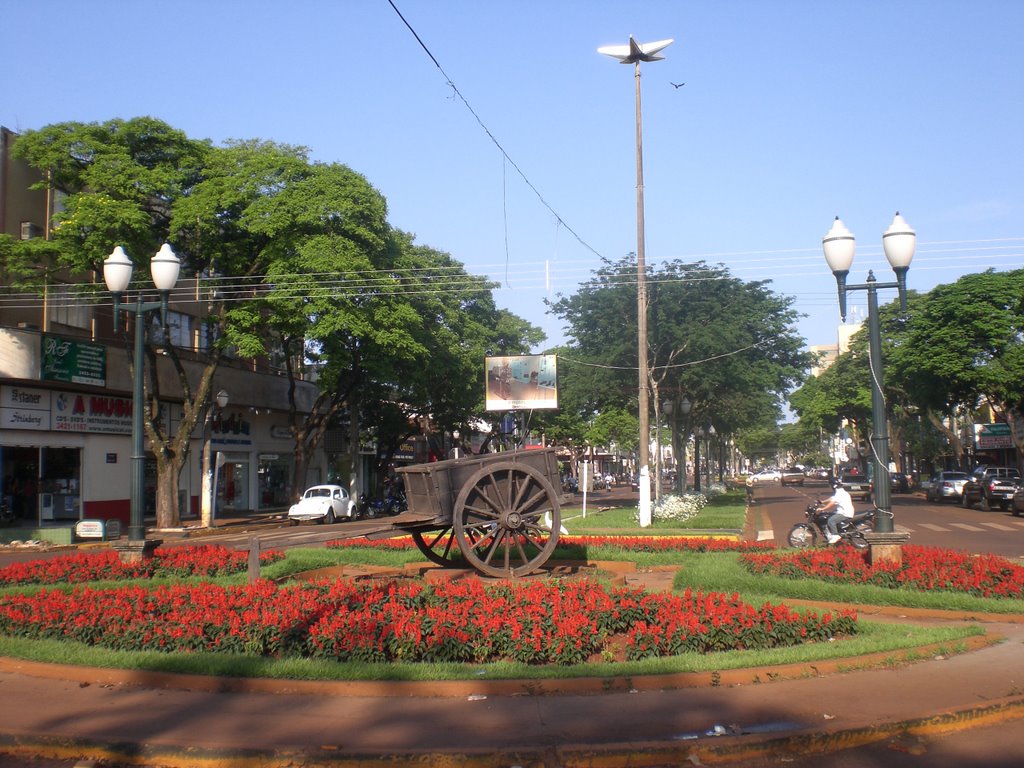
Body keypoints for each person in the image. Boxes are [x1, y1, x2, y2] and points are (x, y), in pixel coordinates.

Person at [818, 477, 855, 544]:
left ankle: (835, 535)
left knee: (831, 520)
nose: (830, 486)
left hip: (844, 513)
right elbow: (832, 498)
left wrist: (822, 509)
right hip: (842, 511)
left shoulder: (840, 493)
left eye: (831, 485)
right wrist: (823, 502)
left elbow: (832, 503)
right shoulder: (840, 491)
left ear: (834, 485)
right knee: (829, 515)